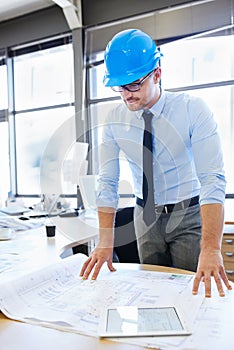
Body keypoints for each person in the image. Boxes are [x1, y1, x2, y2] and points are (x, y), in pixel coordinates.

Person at [80, 28, 232, 297]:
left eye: (134, 84)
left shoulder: (192, 109)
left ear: (157, 74)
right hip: (144, 215)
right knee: (151, 294)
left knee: (193, 293)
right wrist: (105, 242)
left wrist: (211, 248)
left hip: (189, 214)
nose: (126, 94)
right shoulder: (114, 121)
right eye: (119, 86)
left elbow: (212, 179)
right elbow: (108, 181)